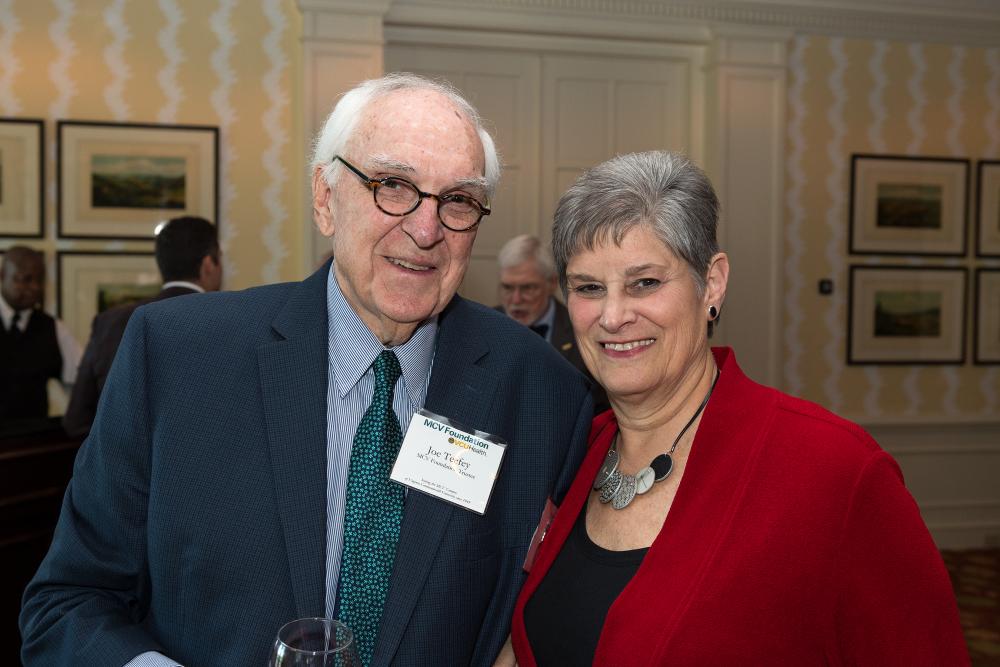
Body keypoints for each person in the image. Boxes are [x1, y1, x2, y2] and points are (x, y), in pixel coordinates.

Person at [20, 73, 591, 667]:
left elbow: (545, 616)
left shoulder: (540, 389)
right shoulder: (178, 356)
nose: (426, 230)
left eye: (458, 201)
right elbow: (68, 604)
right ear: (325, 198)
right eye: (393, 186)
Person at [505, 152, 969, 665]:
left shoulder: (833, 469)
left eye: (646, 283)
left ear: (713, 282)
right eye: (590, 288)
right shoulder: (576, 453)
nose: (613, 316)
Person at [62, 216, 222, 438]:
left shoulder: (109, 322)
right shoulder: (223, 322)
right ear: (208, 265)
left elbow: (77, 420)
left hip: (119, 468)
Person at [496, 234, 608, 413]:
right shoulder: (486, 325)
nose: (516, 299)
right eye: (508, 288)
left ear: (552, 283)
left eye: (528, 288)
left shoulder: (584, 331)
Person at [0, 246, 81, 423]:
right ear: (2, 275)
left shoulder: (54, 328)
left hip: (32, 441)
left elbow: (81, 383)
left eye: (40, 280)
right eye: (26, 279)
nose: (36, 287)